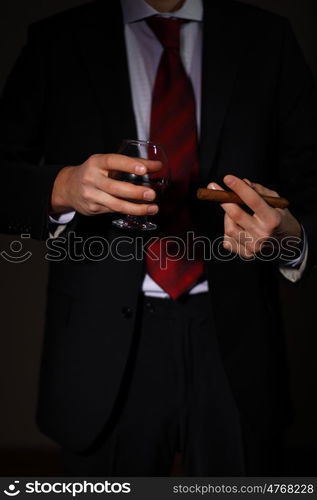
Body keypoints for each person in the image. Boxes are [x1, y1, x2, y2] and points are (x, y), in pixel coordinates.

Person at [0, 0, 316, 476]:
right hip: (97, 345)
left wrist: (290, 238)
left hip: (239, 342)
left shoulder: (268, 37)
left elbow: (312, 185)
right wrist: (61, 187)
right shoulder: (56, 39)